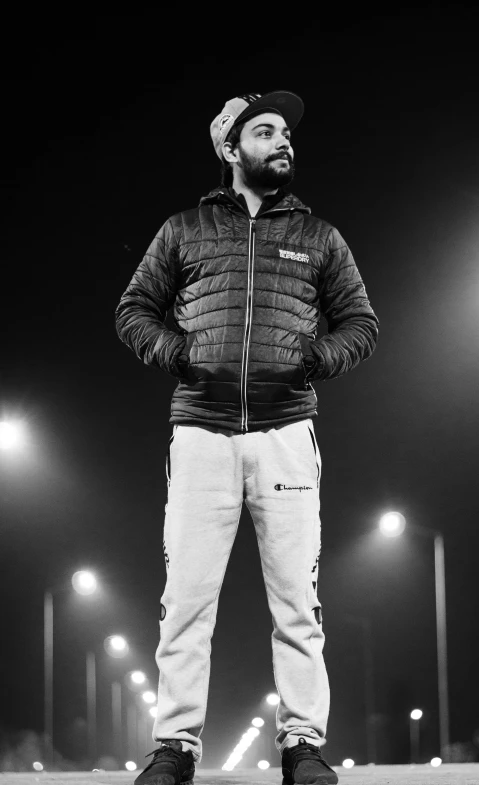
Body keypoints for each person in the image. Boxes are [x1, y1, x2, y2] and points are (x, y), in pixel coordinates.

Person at [115, 90, 379, 785]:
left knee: (298, 600)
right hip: (201, 431)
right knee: (187, 600)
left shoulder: (321, 236)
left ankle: (302, 745)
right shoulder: (183, 229)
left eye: (287, 131)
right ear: (231, 148)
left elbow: (361, 323)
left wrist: (316, 357)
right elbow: (133, 308)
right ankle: (174, 746)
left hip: (288, 431)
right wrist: (178, 353)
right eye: (265, 131)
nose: (283, 140)